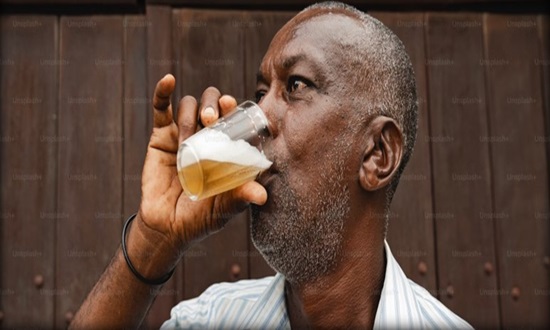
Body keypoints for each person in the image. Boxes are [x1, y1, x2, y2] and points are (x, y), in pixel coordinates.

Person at [72, 2, 472, 329]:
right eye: (261, 92)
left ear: (377, 155)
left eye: (296, 85)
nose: (261, 115)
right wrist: (153, 239)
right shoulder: (211, 320)